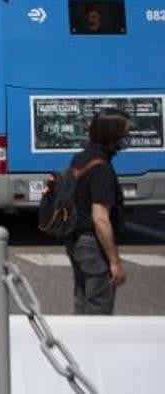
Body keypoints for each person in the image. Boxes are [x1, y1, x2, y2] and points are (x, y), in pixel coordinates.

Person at [65, 109, 130, 315]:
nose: (126, 140)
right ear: (112, 136)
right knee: (99, 308)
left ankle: (80, 336)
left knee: (82, 300)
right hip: (93, 243)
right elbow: (100, 218)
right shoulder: (102, 169)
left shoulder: (80, 158)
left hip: (75, 239)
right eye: (124, 134)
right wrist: (114, 261)